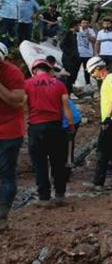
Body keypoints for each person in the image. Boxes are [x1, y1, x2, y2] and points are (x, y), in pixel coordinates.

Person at [24, 59, 74, 204]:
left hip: (36, 128)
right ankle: (60, 194)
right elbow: (66, 108)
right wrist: (70, 125)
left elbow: (22, 105)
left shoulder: (27, 84)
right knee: (58, 162)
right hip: (55, 127)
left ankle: (44, 198)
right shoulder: (59, 84)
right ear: (49, 70)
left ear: (34, 71)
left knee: (39, 164)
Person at [86, 56, 112, 189]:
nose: (92, 75)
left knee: (102, 151)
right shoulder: (110, 80)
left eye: (92, 72)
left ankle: (98, 182)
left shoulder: (110, 80)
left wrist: (107, 118)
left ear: (98, 68)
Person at [0, 42, 26, 230]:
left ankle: (2, 215)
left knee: (7, 173)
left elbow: (17, 101)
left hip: (9, 131)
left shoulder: (12, 73)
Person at [60, 20, 81, 94]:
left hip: (76, 59)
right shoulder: (67, 34)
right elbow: (62, 45)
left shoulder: (76, 35)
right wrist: (69, 54)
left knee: (74, 75)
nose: (80, 27)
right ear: (74, 26)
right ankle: (67, 92)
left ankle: (70, 91)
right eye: (78, 26)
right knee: (69, 75)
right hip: (68, 59)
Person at [77, 19, 97, 85]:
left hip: (88, 54)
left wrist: (88, 36)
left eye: (87, 23)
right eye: (83, 23)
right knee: (75, 69)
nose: (85, 24)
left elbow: (95, 40)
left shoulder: (90, 30)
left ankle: (88, 84)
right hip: (78, 53)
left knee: (87, 70)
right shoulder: (77, 29)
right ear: (80, 24)